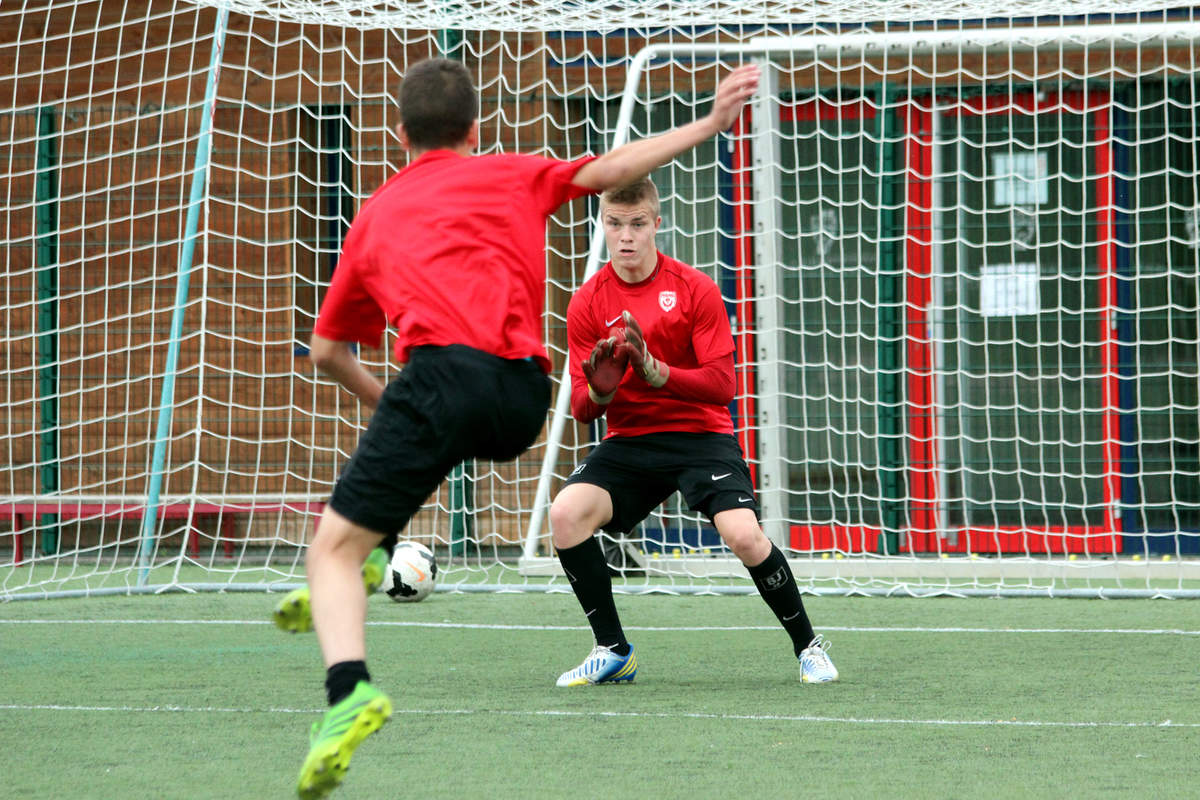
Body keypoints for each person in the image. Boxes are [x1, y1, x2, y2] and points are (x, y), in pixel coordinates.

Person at [271, 57, 763, 799]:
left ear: (400, 133)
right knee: (419, 451)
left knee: (329, 553)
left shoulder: (375, 212)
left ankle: (349, 693)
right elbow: (612, 166)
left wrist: (395, 411)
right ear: (475, 128)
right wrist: (711, 123)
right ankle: (377, 546)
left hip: (439, 380)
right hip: (524, 396)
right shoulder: (514, 171)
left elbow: (329, 352)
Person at [550, 175, 839, 688]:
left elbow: (722, 384)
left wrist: (656, 371)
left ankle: (809, 648)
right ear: (604, 225)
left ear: (656, 224)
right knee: (566, 514)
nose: (626, 237)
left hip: (700, 435)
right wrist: (602, 389)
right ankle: (613, 651)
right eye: (615, 224)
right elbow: (582, 411)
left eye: (637, 224)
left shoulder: (693, 288)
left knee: (743, 535)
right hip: (632, 440)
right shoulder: (586, 303)